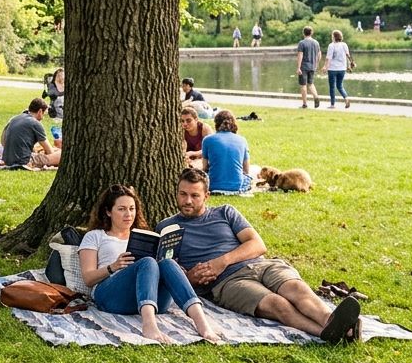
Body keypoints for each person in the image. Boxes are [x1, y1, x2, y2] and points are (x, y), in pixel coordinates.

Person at [164, 169, 361, 343]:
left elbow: (257, 245)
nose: (187, 201)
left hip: (260, 265)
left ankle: (332, 320)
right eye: (183, 194)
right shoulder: (167, 227)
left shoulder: (225, 212)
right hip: (226, 283)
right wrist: (191, 278)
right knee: (277, 304)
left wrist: (222, 261)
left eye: (194, 195)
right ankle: (327, 333)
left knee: (296, 288)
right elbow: (170, 271)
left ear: (206, 196)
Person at [79, 184, 223, 344]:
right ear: (108, 211)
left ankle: (202, 324)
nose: (128, 214)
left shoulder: (143, 236)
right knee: (147, 262)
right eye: (121, 209)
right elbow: (88, 278)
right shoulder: (95, 236)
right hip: (112, 297)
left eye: (132, 209)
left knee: (167, 263)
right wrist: (113, 266)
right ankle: (149, 326)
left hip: (153, 300)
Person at [200, 109, 250, 193]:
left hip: (212, 184)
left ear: (216, 123)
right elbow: (246, 170)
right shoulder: (242, 140)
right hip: (236, 185)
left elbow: (204, 168)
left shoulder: (207, 140)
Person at [0, 98, 59, 168]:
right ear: (40, 111)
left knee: (49, 150)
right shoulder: (36, 123)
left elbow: (3, 141)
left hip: (7, 159)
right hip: (24, 161)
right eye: (44, 114)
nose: (43, 118)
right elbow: (50, 151)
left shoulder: (15, 118)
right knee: (61, 154)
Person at [325, 29, 354, 109]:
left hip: (332, 69)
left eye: (332, 36)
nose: (331, 37)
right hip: (342, 69)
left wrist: (325, 67)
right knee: (340, 86)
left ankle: (332, 104)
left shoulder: (331, 45)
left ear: (334, 37)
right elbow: (348, 56)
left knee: (332, 87)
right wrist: (350, 65)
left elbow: (328, 58)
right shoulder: (344, 44)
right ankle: (346, 98)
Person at [295, 26, 322, 109]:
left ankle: (305, 104)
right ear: (311, 33)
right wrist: (316, 64)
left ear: (303, 33)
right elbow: (319, 54)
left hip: (304, 67)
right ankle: (316, 96)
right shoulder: (316, 42)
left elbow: (300, 55)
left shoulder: (302, 43)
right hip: (312, 66)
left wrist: (298, 67)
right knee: (310, 84)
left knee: (303, 85)